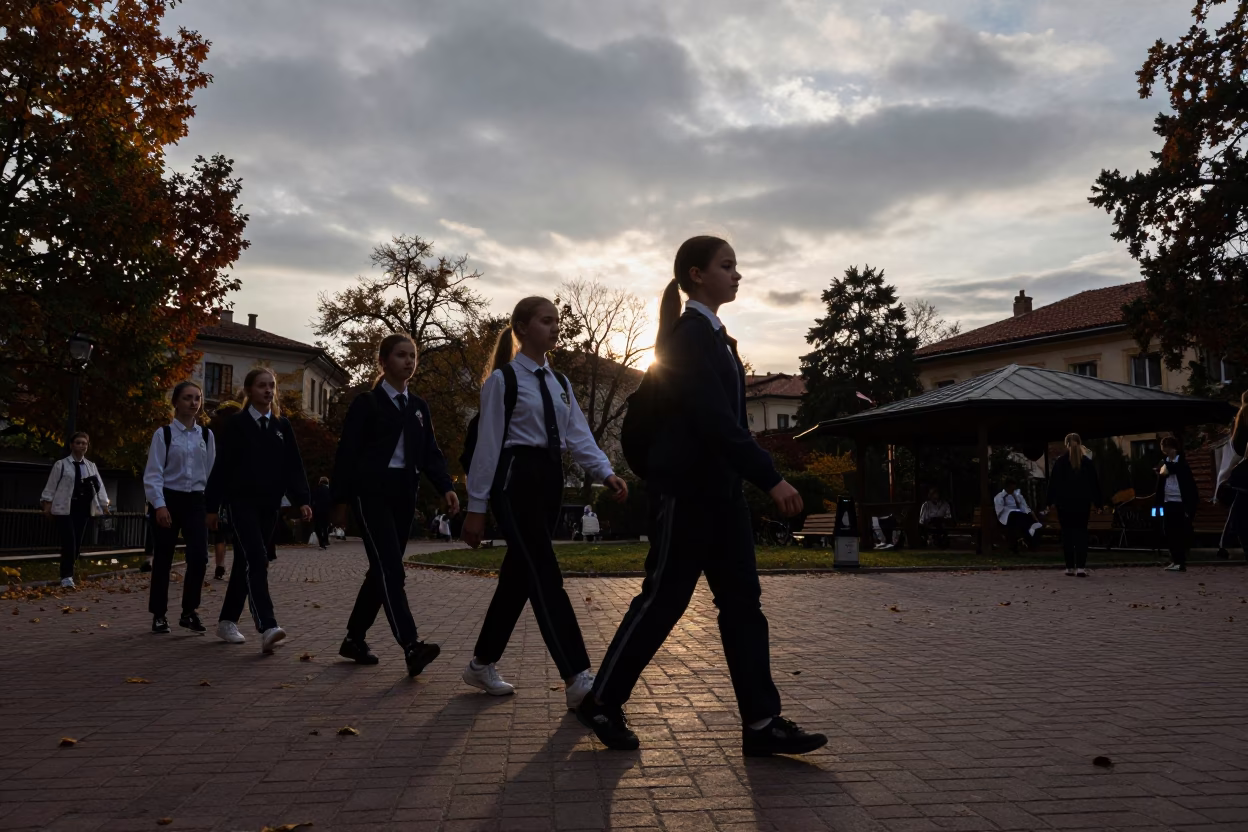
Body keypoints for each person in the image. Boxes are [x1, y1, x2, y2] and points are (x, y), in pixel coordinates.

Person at [575, 236, 825, 757]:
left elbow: (726, 424)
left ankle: (761, 722)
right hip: (687, 496)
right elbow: (715, 422)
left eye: (737, 265)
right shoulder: (690, 337)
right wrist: (771, 477)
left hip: (722, 497)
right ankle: (601, 701)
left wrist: (749, 478)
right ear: (695, 274)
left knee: (743, 605)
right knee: (663, 600)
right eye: (727, 265)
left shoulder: (716, 338)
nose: (737, 274)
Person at [460, 297, 629, 706]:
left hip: (549, 480)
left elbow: (578, 436)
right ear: (521, 328)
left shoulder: (560, 383)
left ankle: (481, 665)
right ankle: (577, 677)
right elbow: (487, 448)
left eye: (557, 321)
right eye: (545, 321)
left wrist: (605, 472)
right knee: (544, 574)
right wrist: (476, 508)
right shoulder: (503, 381)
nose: (555, 328)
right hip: (514, 480)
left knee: (520, 576)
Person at [330, 334, 458, 676]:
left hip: (404, 493)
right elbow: (346, 456)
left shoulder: (418, 407)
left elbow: (431, 453)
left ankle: (354, 639)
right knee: (391, 569)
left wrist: (446, 487)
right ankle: (411, 644)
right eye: (401, 355)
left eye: (412, 356)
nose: (409, 361)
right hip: (370, 493)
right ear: (383, 362)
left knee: (382, 570)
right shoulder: (367, 404)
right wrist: (340, 501)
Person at [205, 368, 312, 653]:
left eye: (272, 386)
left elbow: (293, 465)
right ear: (249, 390)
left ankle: (227, 621)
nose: (268, 390)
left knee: (245, 562)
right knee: (257, 558)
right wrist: (212, 506)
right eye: (262, 386)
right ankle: (267, 625)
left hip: (269, 505)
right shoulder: (237, 424)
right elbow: (222, 467)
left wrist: (302, 498)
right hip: (241, 503)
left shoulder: (281, 426)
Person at [142, 381, 216, 634]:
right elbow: (153, 473)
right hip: (168, 499)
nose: (193, 403)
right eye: (187, 398)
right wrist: (159, 505)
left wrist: (211, 506)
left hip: (196, 500)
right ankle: (159, 614)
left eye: (197, 398)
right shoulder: (164, 434)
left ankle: (189, 611)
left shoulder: (206, 436)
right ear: (175, 402)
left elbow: (211, 473)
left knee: (199, 557)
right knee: (163, 558)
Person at [40, 432, 111, 589]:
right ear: (72, 445)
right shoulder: (62, 464)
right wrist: (47, 503)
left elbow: (99, 486)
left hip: (82, 508)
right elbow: (51, 485)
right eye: (78, 443)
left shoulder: (90, 466)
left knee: (77, 542)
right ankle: (66, 576)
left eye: (84, 443)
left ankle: (70, 570)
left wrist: (104, 504)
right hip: (65, 508)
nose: (81, 446)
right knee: (69, 541)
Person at [1045, 433, 1103, 578]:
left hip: (1064, 504)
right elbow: (1094, 484)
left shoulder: (1060, 463)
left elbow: (1053, 484)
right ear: (1080, 443)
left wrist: (1048, 502)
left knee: (1067, 534)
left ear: (1066, 445)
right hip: (1082, 503)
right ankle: (1081, 567)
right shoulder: (1087, 463)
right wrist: (1098, 503)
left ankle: (1070, 566)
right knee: (1081, 533)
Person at [1153, 435, 1198, 573]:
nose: (1165, 453)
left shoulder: (1182, 463)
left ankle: (1181, 561)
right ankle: (1175, 560)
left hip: (1180, 502)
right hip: (1168, 501)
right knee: (1169, 532)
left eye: (1167, 450)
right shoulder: (1164, 463)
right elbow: (1161, 479)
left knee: (1180, 532)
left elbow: (1188, 483)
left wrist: (1190, 506)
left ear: (1172, 448)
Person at [208, 402, 241, 580]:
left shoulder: (216, 439)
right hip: (235, 497)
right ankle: (237, 567)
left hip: (220, 499)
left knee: (219, 536)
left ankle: (220, 564)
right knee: (238, 535)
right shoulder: (239, 440)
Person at [1217, 391, 1248, 560]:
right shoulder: (1244, 416)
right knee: (1239, 512)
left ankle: (1225, 545)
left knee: (1239, 513)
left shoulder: (1240, 419)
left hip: (1241, 474)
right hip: (1243, 473)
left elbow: (1235, 449)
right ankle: (1226, 545)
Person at [994, 478, 1041, 552]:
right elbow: (999, 511)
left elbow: (1024, 506)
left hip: (1019, 516)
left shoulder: (1018, 495)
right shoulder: (1000, 497)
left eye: (1014, 488)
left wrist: (1030, 513)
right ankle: (1023, 540)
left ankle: (1027, 541)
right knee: (1015, 516)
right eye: (1011, 488)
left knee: (1030, 521)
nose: (1012, 490)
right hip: (1008, 517)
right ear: (1007, 487)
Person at [312, 476, 333, 549]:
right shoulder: (329, 490)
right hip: (326, 510)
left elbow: (312, 500)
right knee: (325, 526)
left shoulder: (316, 489)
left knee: (318, 527)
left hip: (317, 510)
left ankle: (321, 542)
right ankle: (325, 540)